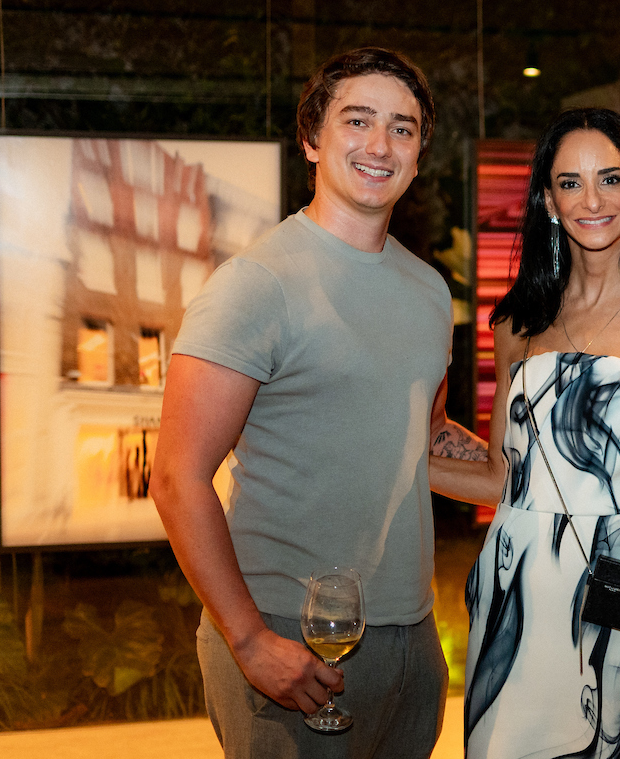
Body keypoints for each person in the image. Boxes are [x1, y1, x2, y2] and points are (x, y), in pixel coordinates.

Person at [150, 47, 483, 759]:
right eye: (357, 120)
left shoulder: (428, 291)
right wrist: (247, 638)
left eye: (402, 127)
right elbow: (176, 476)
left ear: (420, 153)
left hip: (412, 637)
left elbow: (423, 436)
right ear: (312, 139)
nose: (379, 144)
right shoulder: (256, 284)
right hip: (285, 638)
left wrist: (541, 476)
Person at [429, 108, 620, 759]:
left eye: (610, 179)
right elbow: (501, 477)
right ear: (546, 199)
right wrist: (390, 444)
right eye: (569, 182)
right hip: (519, 593)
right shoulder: (516, 324)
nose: (591, 200)